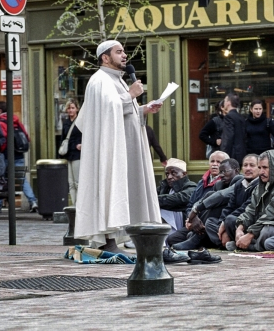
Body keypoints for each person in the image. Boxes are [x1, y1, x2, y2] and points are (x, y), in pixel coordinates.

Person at [74, 40, 162, 253]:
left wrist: (143, 109)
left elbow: (120, 110)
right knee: (108, 186)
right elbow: (105, 112)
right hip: (109, 151)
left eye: (124, 52)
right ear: (105, 57)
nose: (125, 56)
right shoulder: (99, 80)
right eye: (119, 52)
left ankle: (118, 238)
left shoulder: (117, 80)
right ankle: (107, 240)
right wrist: (131, 95)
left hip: (124, 147)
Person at [226, 150, 274, 252]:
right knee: (231, 221)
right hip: (258, 224)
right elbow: (250, 209)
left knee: (267, 231)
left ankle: (250, 247)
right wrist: (240, 228)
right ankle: (245, 242)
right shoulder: (261, 184)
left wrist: (250, 235)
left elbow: (270, 215)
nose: (261, 172)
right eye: (259, 168)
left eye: (265, 168)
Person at [172, 158, 241, 250]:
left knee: (215, 203)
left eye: (225, 171)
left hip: (233, 220)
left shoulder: (241, 182)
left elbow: (221, 196)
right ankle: (197, 237)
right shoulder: (218, 184)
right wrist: (193, 216)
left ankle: (197, 238)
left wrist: (196, 210)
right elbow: (203, 199)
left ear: (236, 171)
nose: (221, 175)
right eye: (220, 172)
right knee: (175, 238)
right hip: (212, 223)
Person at [164, 150, 228, 248]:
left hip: (211, 222)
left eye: (219, 162)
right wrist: (191, 219)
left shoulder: (226, 182)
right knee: (172, 239)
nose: (215, 164)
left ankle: (198, 239)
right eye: (212, 161)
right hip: (195, 221)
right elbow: (190, 204)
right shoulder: (201, 182)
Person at [205, 154, 260, 248]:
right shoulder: (239, 184)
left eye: (252, 165)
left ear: (259, 168)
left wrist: (225, 223)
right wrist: (222, 224)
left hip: (249, 221)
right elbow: (230, 206)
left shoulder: (259, 185)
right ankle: (229, 242)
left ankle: (237, 243)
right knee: (210, 222)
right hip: (233, 222)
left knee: (230, 219)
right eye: (245, 165)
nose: (248, 168)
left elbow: (246, 208)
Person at [0, 101, 39, 213]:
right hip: (19, 155)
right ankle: (33, 201)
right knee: (22, 179)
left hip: (5, 155)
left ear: (0, 111)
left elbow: (3, 139)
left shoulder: (0, 123)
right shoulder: (16, 121)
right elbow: (26, 137)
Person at [157, 158, 197, 230]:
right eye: (167, 174)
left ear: (184, 174)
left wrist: (155, 200)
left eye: (173, 173)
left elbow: (179, 199)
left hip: (183, 222)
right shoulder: (165, 186)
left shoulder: (191, 186)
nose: (169, 177)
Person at [60, 99, 82, 206]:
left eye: (72, 108)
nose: (70, 110)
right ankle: (74, 204)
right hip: (68, 154)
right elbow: (63, 139)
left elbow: (88, 136)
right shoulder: (66, 123)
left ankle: (80, 204)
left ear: (77, 109)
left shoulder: (81, 121)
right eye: (69, 108)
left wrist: (83, 145)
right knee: (71, 183)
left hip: (78, 154)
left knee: (78, 182)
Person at [220, 93, 247, 164]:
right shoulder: (241, 117)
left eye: (225, 101)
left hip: (231, 154)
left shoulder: (228, 117)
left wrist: (223, 154)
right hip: (241, 153)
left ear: (229, 103)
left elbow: (228, 137)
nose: (224, 103)